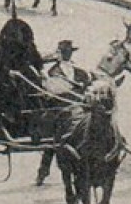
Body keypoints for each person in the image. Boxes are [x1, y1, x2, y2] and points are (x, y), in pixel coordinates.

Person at [35, 40, 91, 186]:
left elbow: (87, 86)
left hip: (78, 109)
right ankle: (43, 171)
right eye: (63, 52)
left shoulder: (80, 71)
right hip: (58, 110)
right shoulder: (53, 73)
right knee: (52, 142)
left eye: (67, 52)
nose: (65, 55)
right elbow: (51, 92)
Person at [0, 16, 44, 138]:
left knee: (38, 94)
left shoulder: (28, 44)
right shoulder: (3, 45)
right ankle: (15, 124)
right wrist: (9, 71)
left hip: (24, 78)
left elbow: (37, 60)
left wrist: (40, 70)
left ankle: (35, 122)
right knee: (14, 95)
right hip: (3, 79)